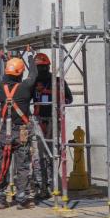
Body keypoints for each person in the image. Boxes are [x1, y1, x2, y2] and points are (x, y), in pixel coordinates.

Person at [0, 48, 38, 210]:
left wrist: (8, 60)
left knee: (1, 164)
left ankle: (0, 198)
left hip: (5, 131)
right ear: (20, 74)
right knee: (23, 166)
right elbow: (33, 74)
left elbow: (8, 78)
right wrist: (31, 56)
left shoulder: (0, 88)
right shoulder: (25, 88)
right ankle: (21, 198)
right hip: (21, 132)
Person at [31, 52, 72, 201]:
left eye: (42, 67)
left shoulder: (58, 81)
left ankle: (49, 184)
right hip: (38, 121)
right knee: (37, 155)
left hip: (53, 121)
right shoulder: (33, 82)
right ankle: (39, 184)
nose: (40, 70)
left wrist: (52, 95)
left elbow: (69, 99)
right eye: (38, 67)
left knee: (52, 154)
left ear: (48, 66)